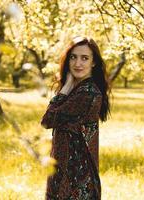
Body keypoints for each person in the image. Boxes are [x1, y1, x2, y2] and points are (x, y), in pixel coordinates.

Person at [41, 36, 110, 200]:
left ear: (93, 62)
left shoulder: (87, 93)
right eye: (73, 57)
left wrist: (64, 88)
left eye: (84, 58)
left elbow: (47, 120)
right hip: (65, 174)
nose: (78, 63)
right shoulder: (78, 90)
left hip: (76, 180)